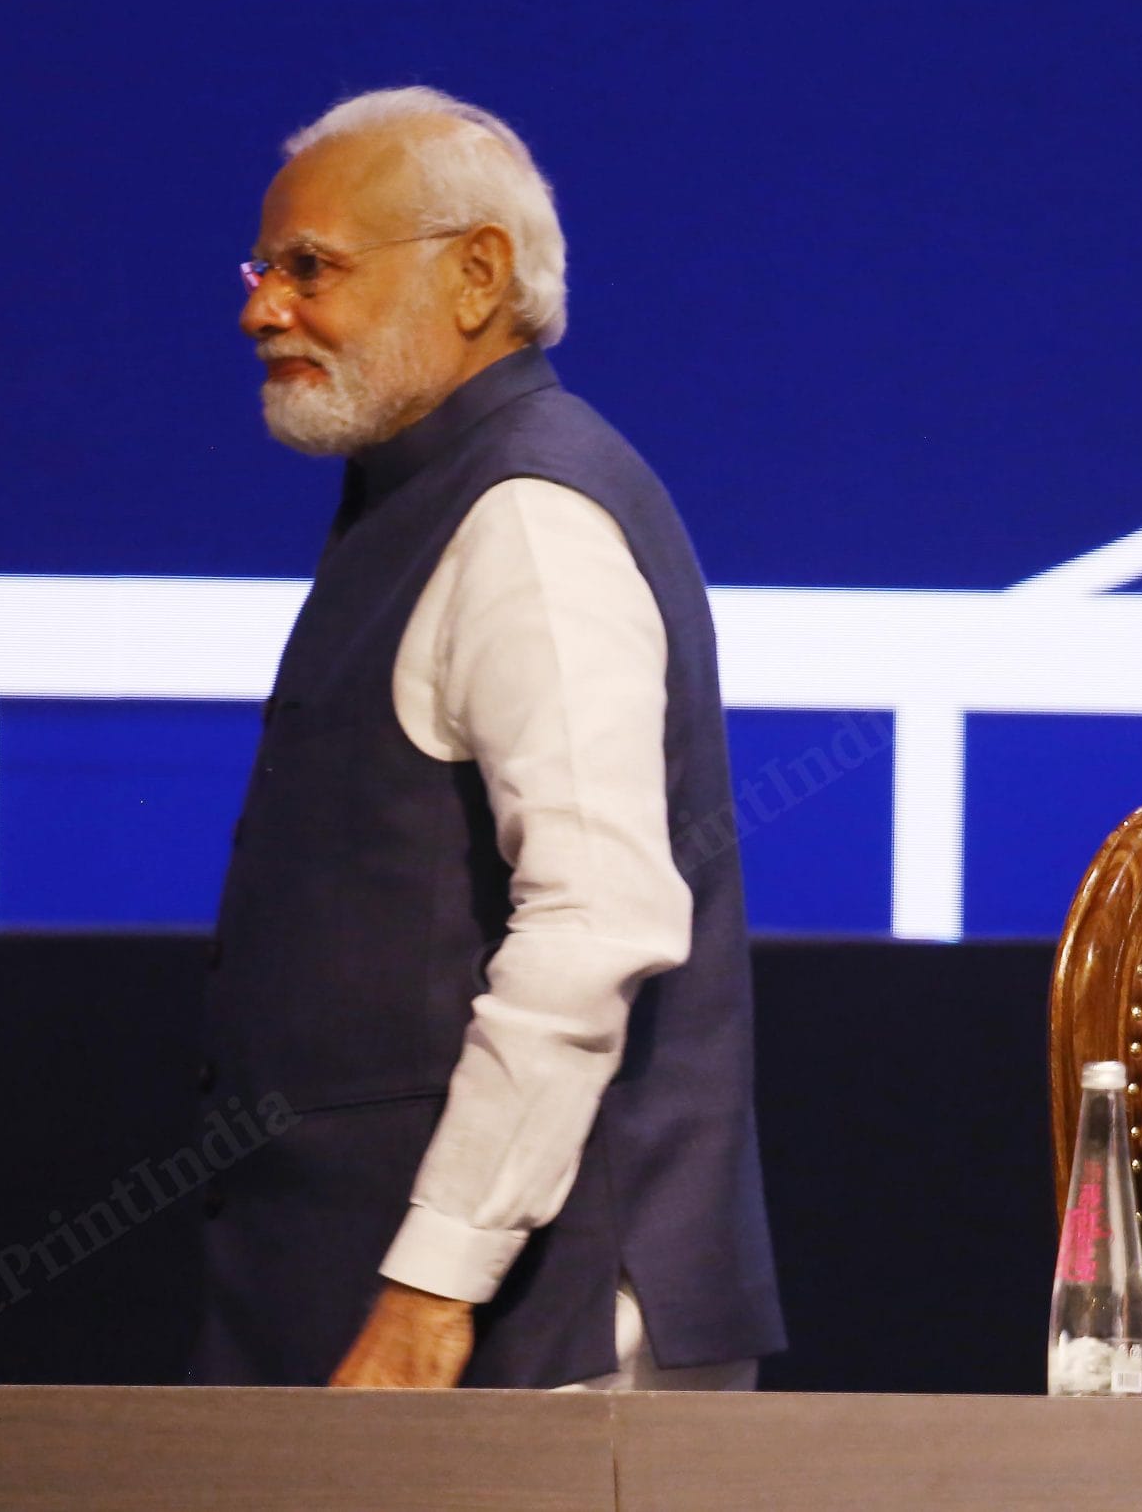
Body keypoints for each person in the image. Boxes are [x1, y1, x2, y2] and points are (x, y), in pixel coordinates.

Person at [191, 88, 783, 1390]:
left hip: (527, 1350)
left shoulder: (528, 517)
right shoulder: (425, 497)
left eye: (311, 268)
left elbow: (594, 923)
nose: (262, 310)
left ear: (477, 275)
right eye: (261, 269)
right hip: (389, 1315)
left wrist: (432, 1283)